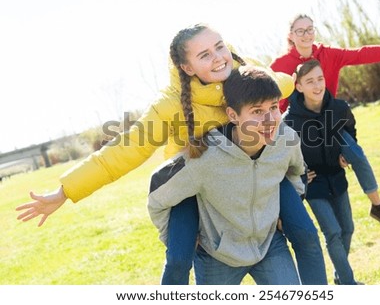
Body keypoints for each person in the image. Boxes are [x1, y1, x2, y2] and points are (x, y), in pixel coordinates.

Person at [16, 24, 326, 285]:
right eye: (205, 55)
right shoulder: (171, 104)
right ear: (187, 67)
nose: (219, 58)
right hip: (194, 179)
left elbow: (278, 84)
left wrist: (280, 81)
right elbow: (125, 148)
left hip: (254, 166)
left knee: (308, 236)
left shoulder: (243, 71)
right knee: (179, 257)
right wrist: (66, 190)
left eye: (219, 47)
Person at [271, 13, 380, 231]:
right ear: (291, 35)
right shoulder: (280, 65)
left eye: (310, 29)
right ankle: (281, 222)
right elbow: (273, 102)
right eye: (300, 30)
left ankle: (377, 206)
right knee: (298, 177)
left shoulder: (330, 54)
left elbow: (364, 54)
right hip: (302, 131)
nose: (306, 34)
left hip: (330, 124)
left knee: (356, 154)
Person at [149, 66, 303, 285]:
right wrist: (173, 238)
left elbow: (297, 171)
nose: (270, 120)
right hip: (217, 256)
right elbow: (157, 194)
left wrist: (283, 213)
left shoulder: (285, 139)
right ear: (232, 115)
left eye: (274, 107)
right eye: (257, 111)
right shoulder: (204, 158)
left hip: (270, 245)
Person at [284, 59, 361, 284]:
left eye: (320, 79)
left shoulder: (339, 108)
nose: (317, 86)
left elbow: (350, 130)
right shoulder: (289, 121)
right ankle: (348, 283)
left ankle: (339, 276)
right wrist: (296, 174)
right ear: (298, 86)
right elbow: (281, 155)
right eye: (310, 81)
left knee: (347, 228)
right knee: (333, 232)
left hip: (337, 176)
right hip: (313, 184)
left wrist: (346, 153)